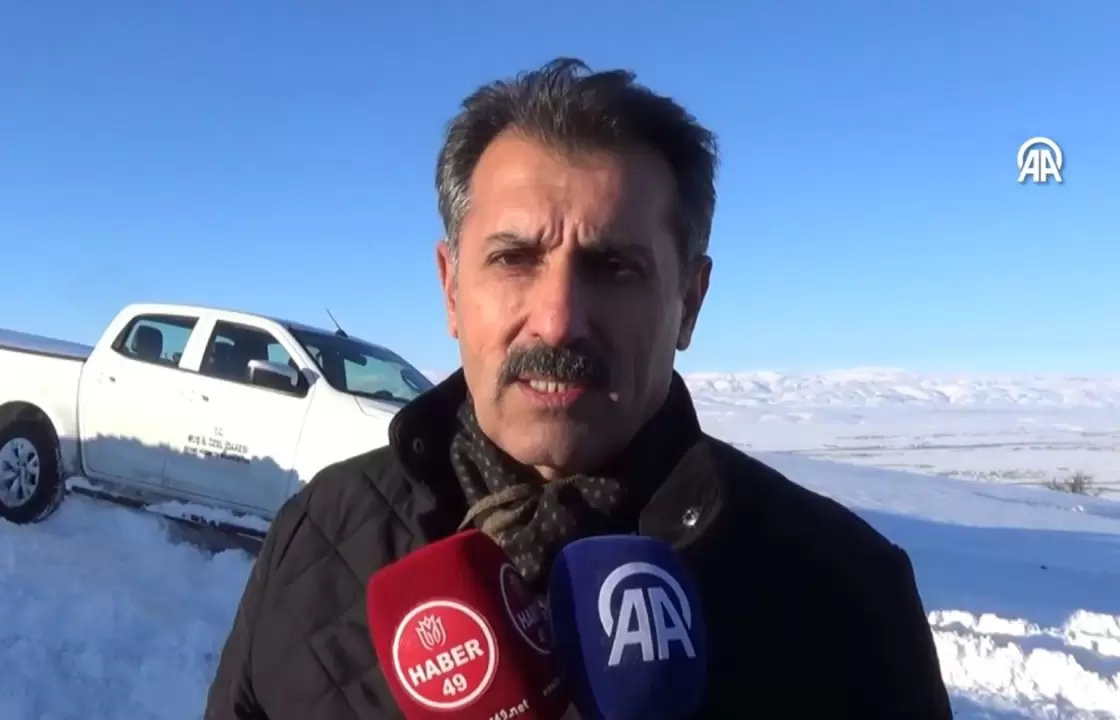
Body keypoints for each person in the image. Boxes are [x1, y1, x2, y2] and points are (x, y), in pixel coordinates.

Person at [203, 58, 952, 719]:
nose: (558, 321)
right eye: (513, 259)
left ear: (689, 303)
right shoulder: (318, 534)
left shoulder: (844, 593)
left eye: (614, 267)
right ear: (451, 289)